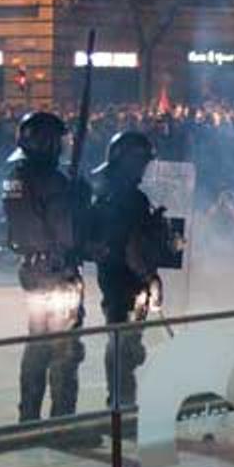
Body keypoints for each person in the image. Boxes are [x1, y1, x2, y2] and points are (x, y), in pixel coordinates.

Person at [2, 112, 87, 422]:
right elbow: (56, 231)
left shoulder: (26, 176)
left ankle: (31, 419)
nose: (63, 146)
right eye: (58, 139)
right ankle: (61, 423)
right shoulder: (39, 179)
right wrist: (74, 201)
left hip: (41, 270)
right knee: (63, 350)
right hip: (53, 270)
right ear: (46, 141)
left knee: (40, 345)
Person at [87, 131, 174, 409]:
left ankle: (119, 403)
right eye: (141, 163)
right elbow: (131, 243)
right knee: (126, 345)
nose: (144, 169)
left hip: (110, 274)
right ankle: (122, 409)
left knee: (121, 340)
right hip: (127, 277)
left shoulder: (102, 187)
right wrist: (150, 278)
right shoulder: (129, 198)